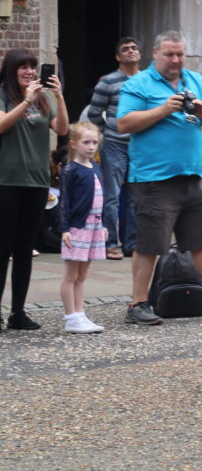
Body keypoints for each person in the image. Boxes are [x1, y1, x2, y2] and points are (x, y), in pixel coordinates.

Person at [116, 31, 202, 326]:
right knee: (150, 242)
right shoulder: (139, 84)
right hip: (154, 178)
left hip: (192, 174)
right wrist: (163, 109)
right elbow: (123, 123)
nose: (176, 60)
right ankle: (138, 303)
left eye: (180, 54)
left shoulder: (194, 80)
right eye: (170, 54)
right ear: (155, 53)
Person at [0, 49, 69, 331]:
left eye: (32, 67)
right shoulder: (4, 95)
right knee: (2, 249)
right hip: (6, 180)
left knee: (25, 249)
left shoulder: (43, 98)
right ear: (11, 70)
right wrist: (24, 101)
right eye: (23, 67)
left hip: (37, 182)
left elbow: (62, 129)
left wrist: (60, 96)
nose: (29, 72)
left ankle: (18, 312)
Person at [86, 37, 141, 260]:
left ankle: (131, 243)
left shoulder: (147, 81)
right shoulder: (108, 82)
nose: (130, 51)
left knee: (136, 197)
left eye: (134, 48)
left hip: (139, 146)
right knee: (112, 196)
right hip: (114, 145)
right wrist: (106, 135)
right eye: (125, 49)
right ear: (118, 57)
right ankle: (110, 242)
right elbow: (93, 113)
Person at [58, 122, 107, 333]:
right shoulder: (70, 170)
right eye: (86, 142)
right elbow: (64, 201)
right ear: (73, 144)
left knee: (82, 276)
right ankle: (71, 317)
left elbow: (100, 197)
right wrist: (64, 229)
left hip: (94, 227)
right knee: (71, 275)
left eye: (95, 142)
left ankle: (81, 314)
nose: (91, 146)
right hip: (78, 228)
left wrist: (103, 223)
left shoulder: (96, 167)